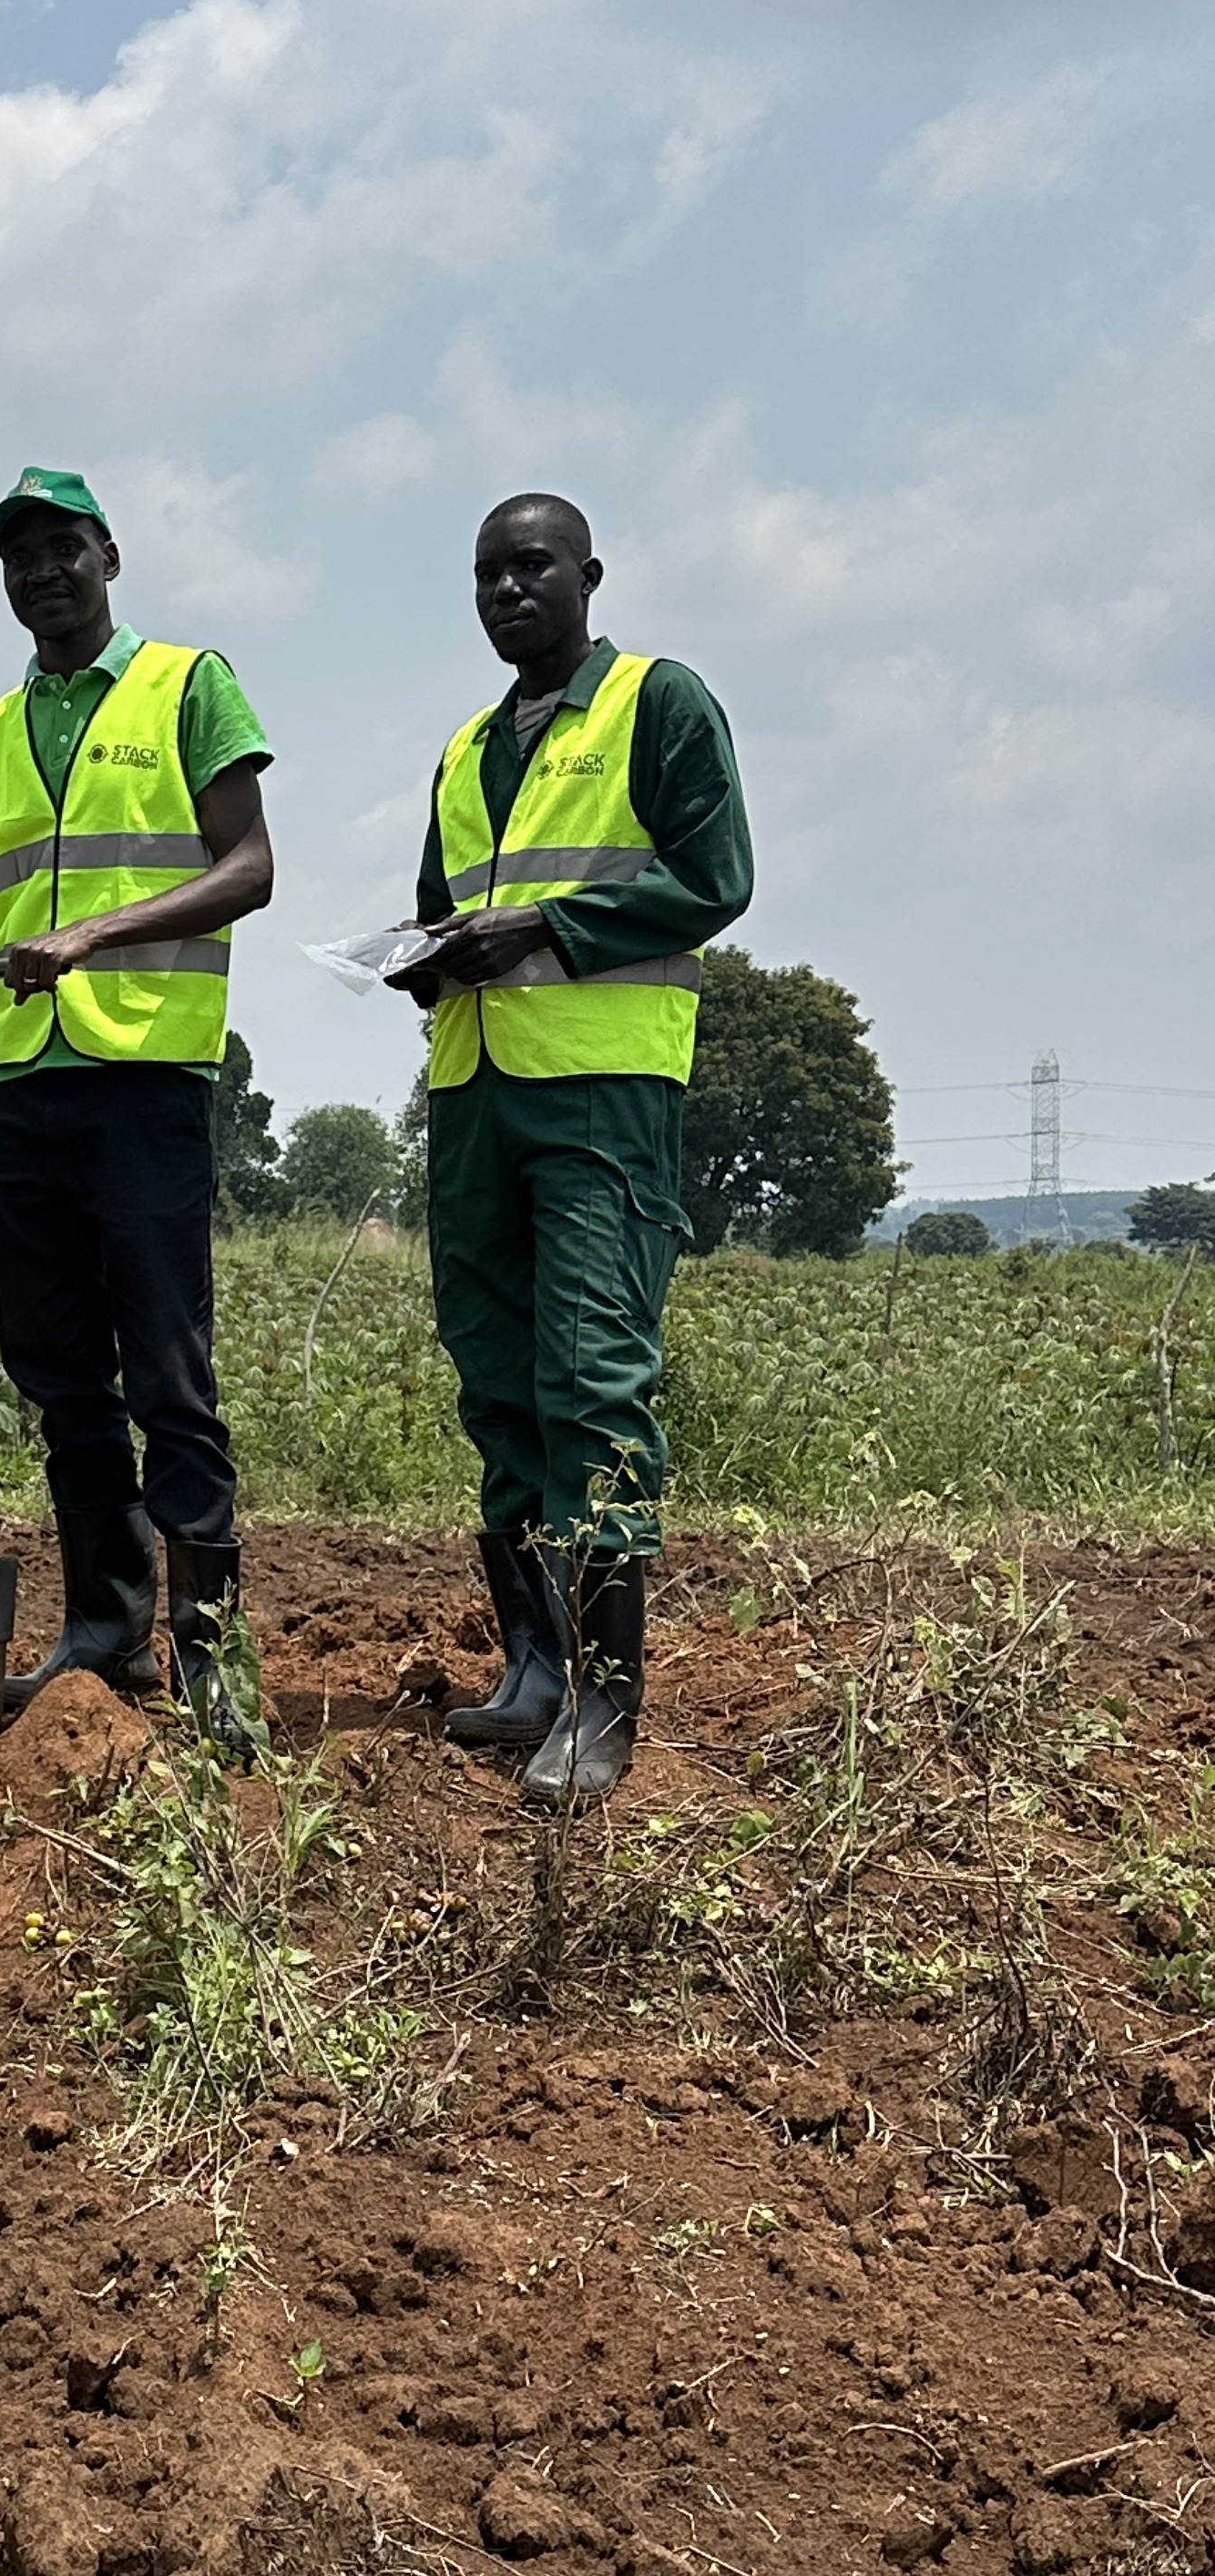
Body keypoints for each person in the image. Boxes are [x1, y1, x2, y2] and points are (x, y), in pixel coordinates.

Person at [0, 468, 275, 1756]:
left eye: (62, 549)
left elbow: (249, 868)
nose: (41, 572)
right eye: (17, 558)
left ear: (109, 556)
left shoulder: (185, 683)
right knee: (55, 1371)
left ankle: (209, 1648)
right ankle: (106, 1623)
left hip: (146, 1075)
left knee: (166, 1366)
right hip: (20, 1088)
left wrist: (95, 933)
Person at [390, 493, 753, 1807]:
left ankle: (607, 1701)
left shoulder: (660, 704)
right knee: (497, 1384)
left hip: (601, 1093)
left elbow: (713, 878)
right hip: (476, 1093)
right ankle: (535, 1669)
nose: (506, 591)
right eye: (486, 573)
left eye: (530, 567)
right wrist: (421, 960)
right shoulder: (464, 749)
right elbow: (446, 914)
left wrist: (540, 926)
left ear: (589, 576)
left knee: (593, 1379)